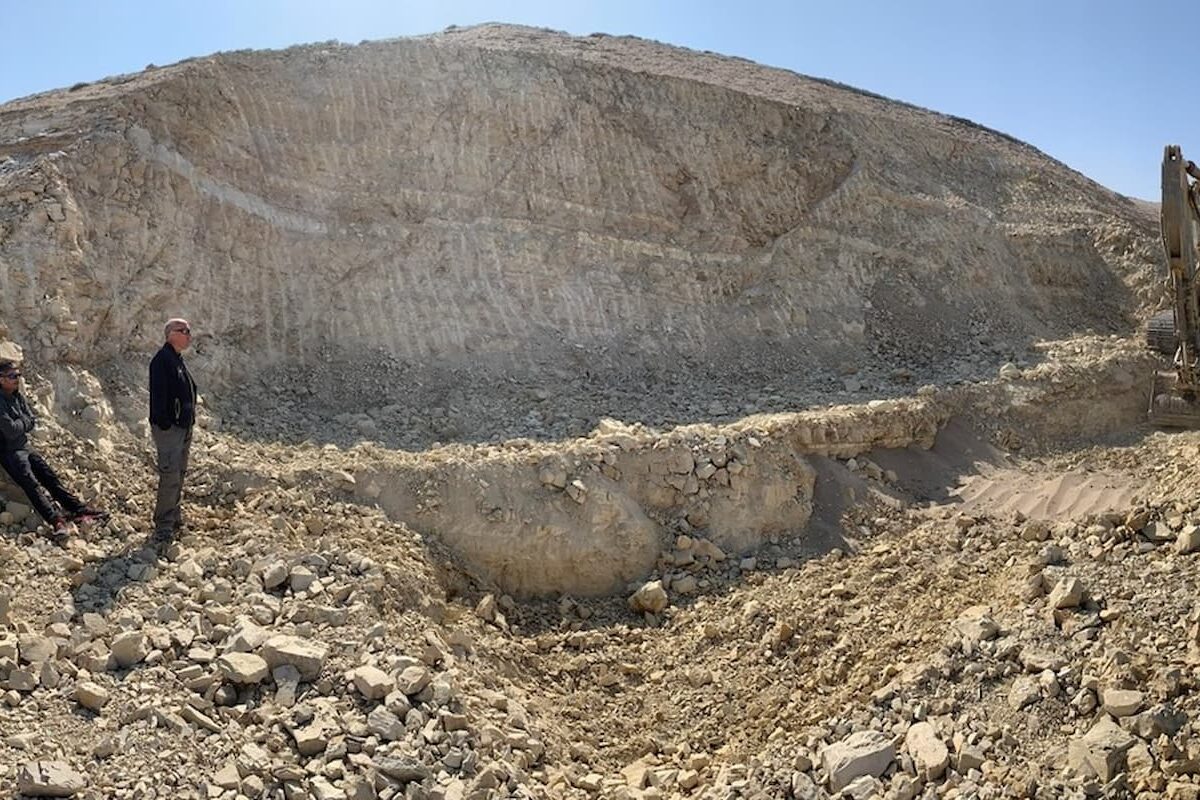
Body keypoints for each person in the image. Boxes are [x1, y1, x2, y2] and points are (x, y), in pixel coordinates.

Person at [0, 360, 107, 541]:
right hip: (10, 452)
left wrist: (22, 423)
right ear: (1, 380)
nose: (17, 379)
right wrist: (23, 423)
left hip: (25, 446)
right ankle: (56, 520)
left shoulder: (17, 396)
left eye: (18, 375)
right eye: (12, 376)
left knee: (49, 477)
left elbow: (31, 420)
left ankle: (77, 509)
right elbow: (10, 431)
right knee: (31, 484)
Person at [149, 318, 197, 540]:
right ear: (171, 334)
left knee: (179, 473)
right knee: (170, 475)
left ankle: (174, 517)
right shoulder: (162, 360)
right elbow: (159, 395)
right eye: (184, 330)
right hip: (171, 429)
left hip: (183, 426)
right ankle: (163, 526)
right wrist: (166, 423)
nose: (188, 335)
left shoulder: (176, 359)